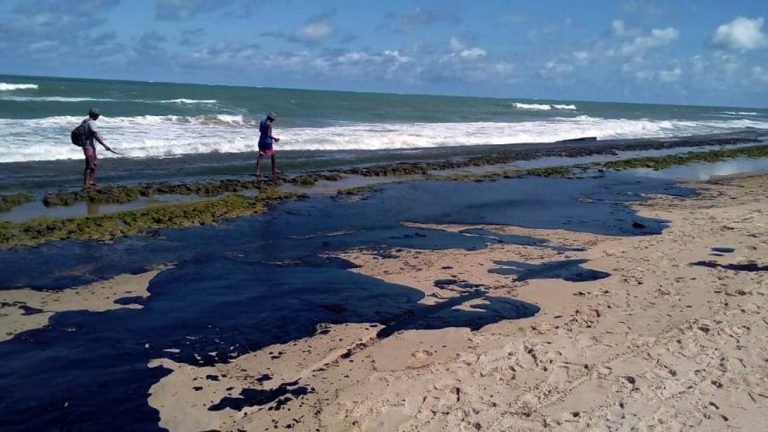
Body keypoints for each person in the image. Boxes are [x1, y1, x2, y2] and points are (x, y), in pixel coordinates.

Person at [81, 108, 115, 188]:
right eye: (98, 115)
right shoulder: (92, 123)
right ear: (96, 115)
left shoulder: (85, 121)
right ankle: (86, 184)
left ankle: (91, 181)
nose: (98, 117)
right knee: (89, 165)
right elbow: (95, 135)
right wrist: (105, 146)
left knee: (93, 164)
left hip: (88, 145)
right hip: (89, 147)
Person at [256, 112, 280, 177]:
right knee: (273, 154)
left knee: (260, 156)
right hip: (267, 142)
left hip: (261, 141)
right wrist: (275, 139)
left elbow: (260, 130)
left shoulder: (262, 121)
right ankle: (273, 169)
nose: (273, 120)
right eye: (273, 119)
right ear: (271, 118)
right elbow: (269, 134)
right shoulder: (269, 124)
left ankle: (258, 171)